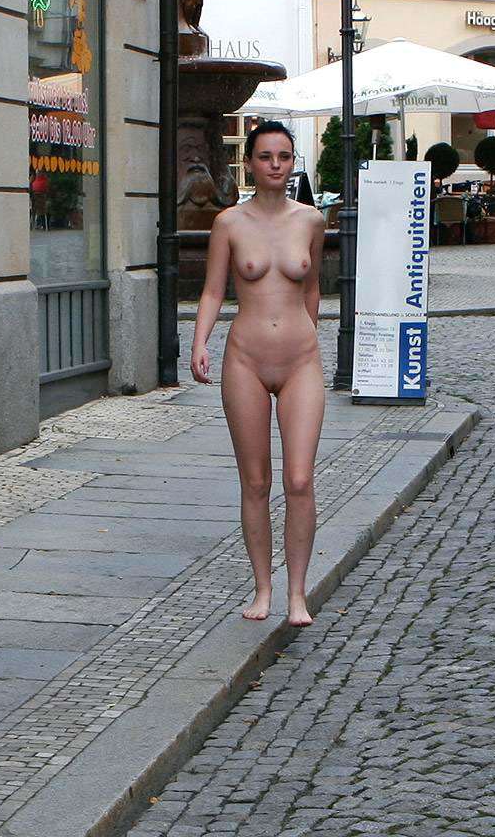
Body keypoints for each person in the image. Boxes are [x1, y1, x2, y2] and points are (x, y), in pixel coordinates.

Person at [191, 121, 327, 627]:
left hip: (300, 361)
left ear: (293, 162)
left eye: (284, 156)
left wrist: (308, 334)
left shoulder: (310, 220)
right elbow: (213, 290)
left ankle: (297, 593)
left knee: (299, 478)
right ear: (248, 163)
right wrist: (200, 342)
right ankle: (263, 588)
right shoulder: (229, 222)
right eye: (265, 156)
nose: (275, 165)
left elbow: (311, 286)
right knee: (255, 481)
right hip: (245, 359)